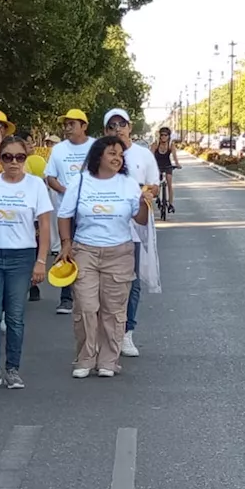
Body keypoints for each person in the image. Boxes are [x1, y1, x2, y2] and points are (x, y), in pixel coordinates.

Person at [57, 136, 152, 378]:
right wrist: (66, 244)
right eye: (112, 153)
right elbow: (64, 215)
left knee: (113, 310)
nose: (117, 158)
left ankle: (109, 360)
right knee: (86, 307)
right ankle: (85, 358)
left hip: (119, 252)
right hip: (85, 251)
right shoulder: (80, 182)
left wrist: (144, 203)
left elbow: (139, 220)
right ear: (98, 156)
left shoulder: (128, 184)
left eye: (120, 155)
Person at [0, 135, 53, 390]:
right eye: (8, 157)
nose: (14, 162)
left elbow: (45, 225)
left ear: (26, 158)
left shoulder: (36, 185)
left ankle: (12, 370)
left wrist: (41, 261)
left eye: (19, 157)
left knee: (15, 316)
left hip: (22, 256)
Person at [104, 108, 158, 358]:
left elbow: (155, 186)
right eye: (112, 125)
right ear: (106, 130)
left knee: (131, 282)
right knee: (104, 284)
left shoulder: (143, 155)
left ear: (130, 127)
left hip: (134, 228)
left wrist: (143, 192)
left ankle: (127, 332)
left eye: (122, 124)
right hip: (104, 229)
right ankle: (106, 334)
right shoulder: (100, 154)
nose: (118, 129)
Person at [44, 109, 94, 315]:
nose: (67, 128)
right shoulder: (58, 150)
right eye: (65, 125)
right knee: (68, 248)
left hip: (92, 209)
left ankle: (88, 294)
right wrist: (67, 192)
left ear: (83, 126)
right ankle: (66, 298)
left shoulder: (95, 147)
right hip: (67, 210)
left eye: (71, 124)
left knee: (90, 250)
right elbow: (50, 177)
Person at [152, 126, 181, 211]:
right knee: (157, 183)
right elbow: (150, 157)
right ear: (159, 136)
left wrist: (177, 164)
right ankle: (158, 195)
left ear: (169, 136)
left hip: (167, 165)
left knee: (169, 183)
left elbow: (175, 157)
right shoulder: (155, 145)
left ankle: (170, 204)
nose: (164, 137)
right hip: (157, 166)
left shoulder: (171, 145)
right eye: (162, 135)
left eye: (166, 135)